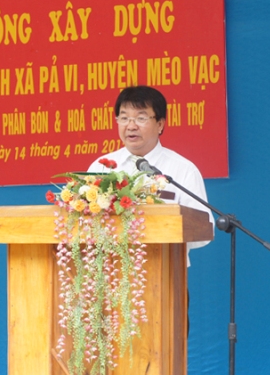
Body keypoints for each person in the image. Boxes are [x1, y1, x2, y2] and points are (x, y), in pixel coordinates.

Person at [87, 85, 213, 266]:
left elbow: (205, 226)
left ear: (160, 124)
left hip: (165, 271)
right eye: (124, 118)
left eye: (141, 118)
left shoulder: (182, 169)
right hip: (111, 275)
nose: (131, 126)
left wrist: (166, 237)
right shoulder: (101, 167)